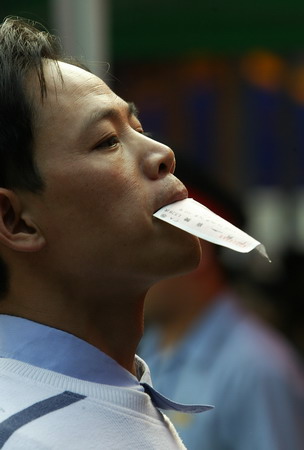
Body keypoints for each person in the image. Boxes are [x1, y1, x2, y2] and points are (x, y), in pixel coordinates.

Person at [0, 17, 212, 449]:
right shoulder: (24, 437)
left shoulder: (117, 389)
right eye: (107, 141)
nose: (162, 154)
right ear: (15, 220)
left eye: (135, 127)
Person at [139, 162, 304, 450]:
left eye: (147, 242)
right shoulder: (153, 343)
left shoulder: (255, 369)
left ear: (198, 252)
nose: (132, 265)